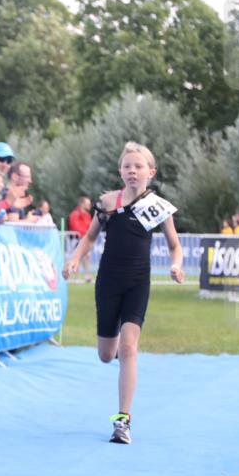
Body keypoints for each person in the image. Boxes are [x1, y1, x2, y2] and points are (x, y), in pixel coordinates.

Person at [62, 141, 184, 445]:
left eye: (139, 166)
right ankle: (116, 350)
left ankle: (122, 421)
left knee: (129, 348)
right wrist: (74, 259)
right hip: (108, 282)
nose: (133, 170)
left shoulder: (159, 207)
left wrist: (176, 265)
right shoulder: (107, 203)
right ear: (120, 171)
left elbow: (174, 245)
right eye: (127, 166)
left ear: (151, 172)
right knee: (107, 355)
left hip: (138, 282)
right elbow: (89, 238)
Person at [68, 196, 94, 280]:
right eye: (88, 204)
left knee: (87, 257)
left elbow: (90, 227)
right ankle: (77, 277)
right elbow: (75, 227)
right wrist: (86, 233)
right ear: (82, 204)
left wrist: (88, 235)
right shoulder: (74, 214)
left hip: (85, 239)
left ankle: (87, 276)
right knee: (77, 257)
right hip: (76, 239)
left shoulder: (87, 215)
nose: (90, 205)